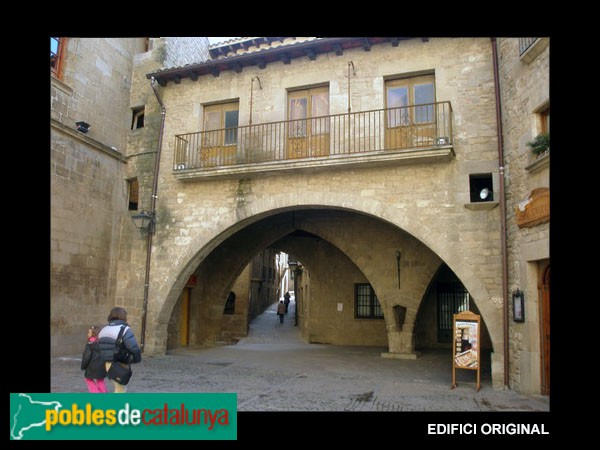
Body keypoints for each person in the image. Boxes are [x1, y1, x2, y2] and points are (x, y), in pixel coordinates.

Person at [98, 307, 142, 393]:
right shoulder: (125, 329)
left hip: (107, 363)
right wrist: (137, 358)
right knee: (120, 389)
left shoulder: (103, 329)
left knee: (117, 387)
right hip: (120, 362)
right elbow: (133, 347)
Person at [81, 325, 108, 393]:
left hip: (92, 367)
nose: (87, 334)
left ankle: (96, 393)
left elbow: (86, 357)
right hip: (102, 366)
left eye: (89, 333)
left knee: (88, 380)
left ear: (93, 334)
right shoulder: (103, 343)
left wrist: (83, 366)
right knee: (100, 380)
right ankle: (104, 393)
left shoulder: (90, 344)